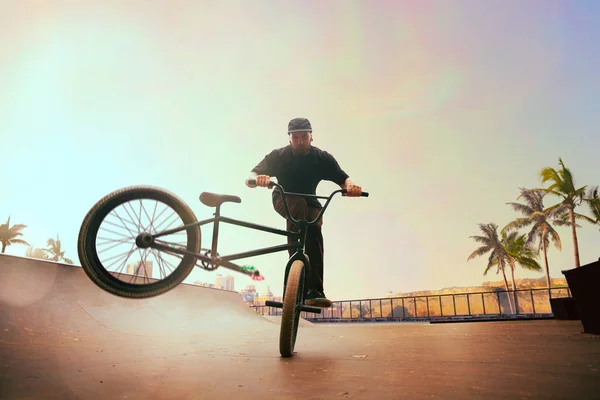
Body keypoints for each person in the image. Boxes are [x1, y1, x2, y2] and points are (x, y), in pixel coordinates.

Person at [245, 117, 363, 307]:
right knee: (298, 207)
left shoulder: (321, 158)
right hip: (283, 197)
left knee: (315, 228)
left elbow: (343, 178)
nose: (300, 142)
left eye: (304, 137)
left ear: (311, 137)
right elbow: (251, 175)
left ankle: (315, 290)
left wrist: (351, 187)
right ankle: (295, 280)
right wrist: (257, 179)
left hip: (311, 200)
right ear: (290, 138)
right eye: (296, 138)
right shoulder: (279, 156)